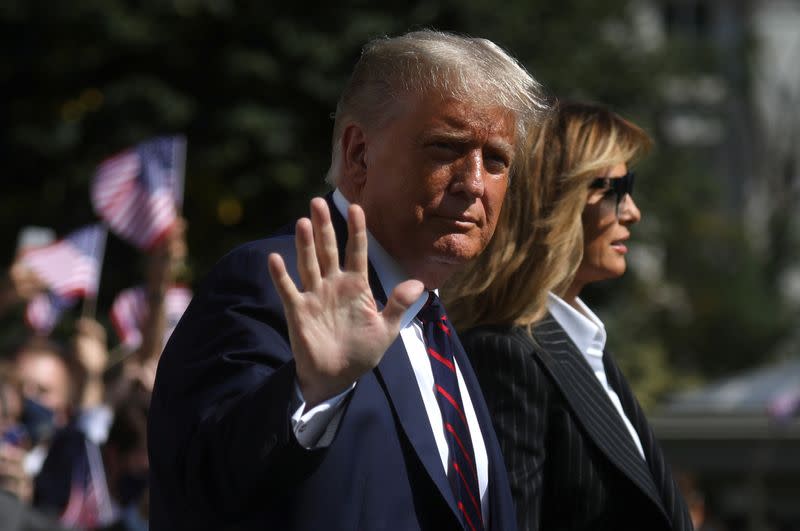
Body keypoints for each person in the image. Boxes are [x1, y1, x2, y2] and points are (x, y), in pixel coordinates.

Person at [148, 29, 548, 530]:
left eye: (496, 160)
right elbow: (200, 485)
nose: (474, 183)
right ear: (359, 153)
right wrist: (310, 393)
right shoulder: (273, 281)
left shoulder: (436, 326)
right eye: (447, 147)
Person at [444, 101, 693, 531]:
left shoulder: (584, 343)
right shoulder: (505, 354)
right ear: (554, 201)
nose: (632, 212)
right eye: (615, 189)